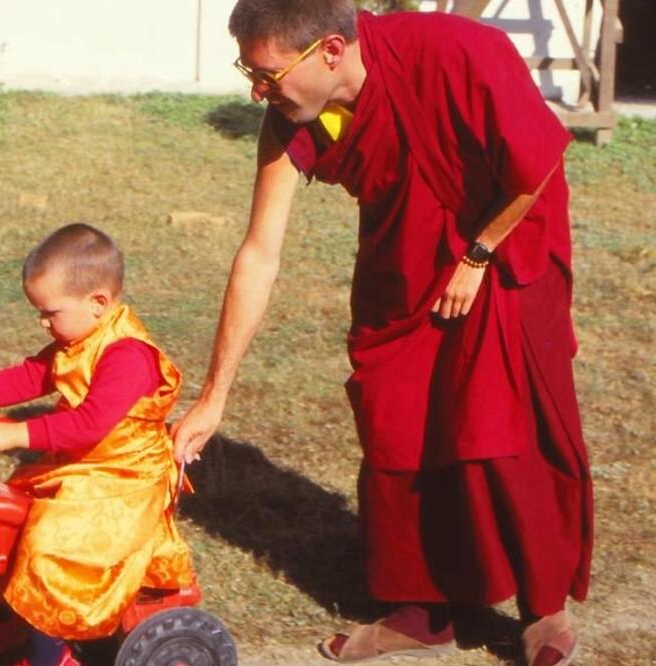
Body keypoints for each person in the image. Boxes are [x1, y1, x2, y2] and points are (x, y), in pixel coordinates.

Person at [170, 2, 593, 665]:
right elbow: (259, 253)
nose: (257, 90)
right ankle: (420, 612)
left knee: (498, 427)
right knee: (394, 417)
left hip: (506, 249)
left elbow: (537, 157)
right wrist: (213, 396)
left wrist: (478, 255)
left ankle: (543, 607)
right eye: (248, 72)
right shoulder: (288, 122)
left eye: (268, 74)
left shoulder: (458, 50)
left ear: (331, 50)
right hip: (404, 260)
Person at [0, 223, 193, 666]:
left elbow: (89, 424)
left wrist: (16, 433)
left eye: (50, 312)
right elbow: (31, 375)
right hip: (85, 467)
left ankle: (53, 654)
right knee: (9, 517)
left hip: (123, 479)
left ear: (98, 303)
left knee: (50, 543)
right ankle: (6, 625)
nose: (42, 322)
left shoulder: (128, 356)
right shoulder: (78, 339)